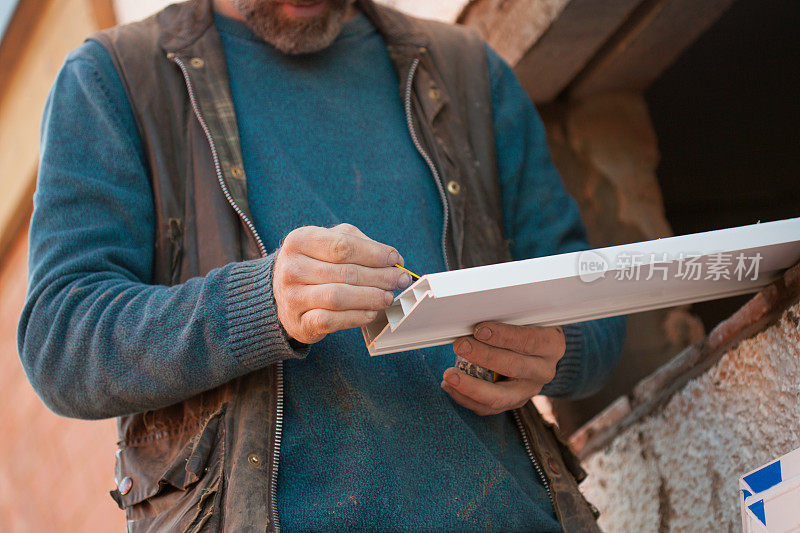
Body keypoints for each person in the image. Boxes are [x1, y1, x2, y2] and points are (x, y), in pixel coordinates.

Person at [18, 0, 625, 530]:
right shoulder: (113, 78)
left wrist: (558, 347)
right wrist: (261, 305)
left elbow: (600, 304)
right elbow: (60, 336)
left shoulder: (466, 68)